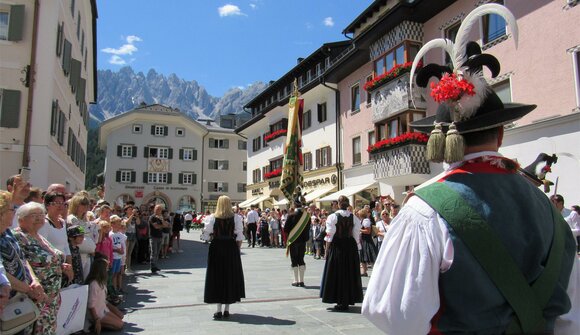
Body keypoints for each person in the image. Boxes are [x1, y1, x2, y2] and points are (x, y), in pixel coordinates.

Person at [362, 9, 578, 333]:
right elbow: (570, 315)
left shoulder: (423, 210)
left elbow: (393, 314)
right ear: (501, 133)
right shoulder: (548, 208)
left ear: (439, 138)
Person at [14, 202, 73, 334]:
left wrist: (61, 265)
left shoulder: (39, 236)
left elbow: (48, 260)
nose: (39, 218)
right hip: (36, 296)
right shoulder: (18, 237)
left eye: (41, 214)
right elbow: (21, 263)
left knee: (48, 329)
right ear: (21, 219)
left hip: (52, 296)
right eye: (34, 215)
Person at [201, 195, 245, 319]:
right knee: (229, 276)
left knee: (217, 276)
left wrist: (212, 238)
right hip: (231, 248)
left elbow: (206, 235)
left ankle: (218, 309)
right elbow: (239, 237)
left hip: (216, 247)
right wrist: (237, 250)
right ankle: (227, 309)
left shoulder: (212, 218)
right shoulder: (236, 218)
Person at [320, 195, 363, 311]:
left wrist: (327, 250)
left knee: (337, 272)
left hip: (337, 246)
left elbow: (329, 235)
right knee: (349, 272)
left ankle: (339, 300)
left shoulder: (332, 217)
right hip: (350, 246)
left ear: (338, 204)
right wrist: (357, 248)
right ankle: (347, 300)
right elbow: (356, 234)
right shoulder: (354, 218)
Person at [85, 254, 124, 334]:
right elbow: (91, 305)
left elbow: (104, 300)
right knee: (119, 325)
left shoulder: (101, 282)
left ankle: (102, 322)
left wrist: (113, 308)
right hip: (97, 313)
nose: (107, 270)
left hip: (103, 309)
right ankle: (94, 323)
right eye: (106, 268)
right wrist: (96, 319)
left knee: (121, 317)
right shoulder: (94, 284)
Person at [149, 204, 169, 273]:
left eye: (160, 209)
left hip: (160, 236)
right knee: (153, 252)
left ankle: (155, 266)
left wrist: (162, 220)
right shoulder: (152, 217)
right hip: (153, 236)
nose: (158, 210)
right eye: (157, 209)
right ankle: (152, 267)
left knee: (157, 253)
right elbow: (156, 227)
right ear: (154, 209)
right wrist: (162, 225)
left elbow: (166, 225)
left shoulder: (161, 217)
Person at [358, 208, 377, 277]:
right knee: (362, 257)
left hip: (367, 240)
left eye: (359, 213)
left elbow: (368, 231)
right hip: (363, 241)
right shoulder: (362, 220)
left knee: (371, 256)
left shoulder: (366, 220)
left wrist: (359, 229)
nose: (358, 214)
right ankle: (364, 272)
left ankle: (376, 272)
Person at [122, 205, 138, 273]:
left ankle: (129, 267)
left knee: (130, 253)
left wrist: (136, 216)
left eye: (132, 209)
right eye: (129, 209)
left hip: (133, 234)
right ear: (126, 211)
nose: (131, 210)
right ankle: (125, 267)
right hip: (127, 234)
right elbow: (127, 223)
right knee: (126, 252)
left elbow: (138, 223)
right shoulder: (124, 217)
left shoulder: (134, 217)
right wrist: (132, 215)